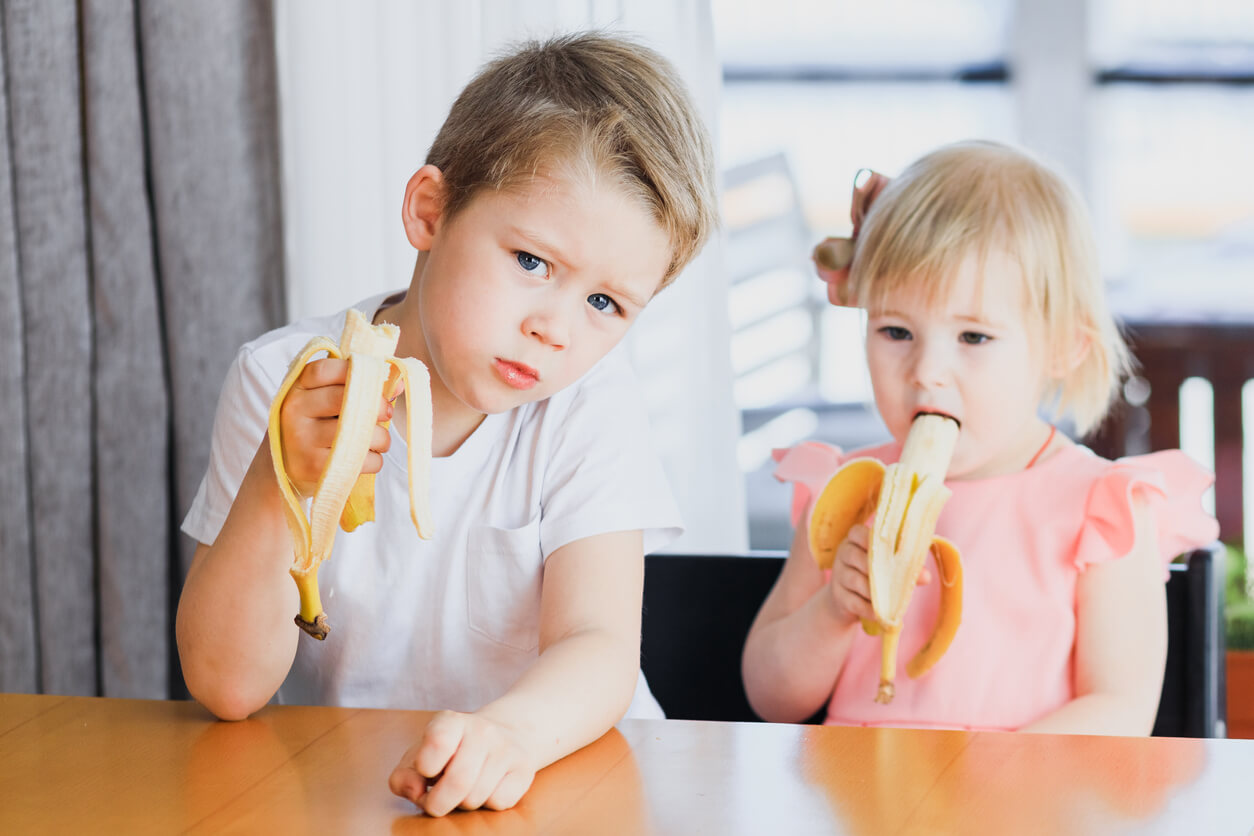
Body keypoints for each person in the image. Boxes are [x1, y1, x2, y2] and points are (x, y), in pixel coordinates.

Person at [175, 32, 717, 816]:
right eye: (533, 262)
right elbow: (226, 686)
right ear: (430, 210)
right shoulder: (281, 381)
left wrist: (513, 737)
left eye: (605, 304)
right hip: (357, 789)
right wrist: (276, 483)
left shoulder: (590, 405)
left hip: (568, 780)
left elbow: (597, 645)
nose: (556, 330)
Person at [741, 140, 1218, 735]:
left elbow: (1120, 710)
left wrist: (981, 782)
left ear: (1064, 345)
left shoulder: (1102, 510)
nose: (926, 371)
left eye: (973, 338)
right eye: (895, 330)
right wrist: (833, 610)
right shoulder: (849, 492)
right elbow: (770, 697)